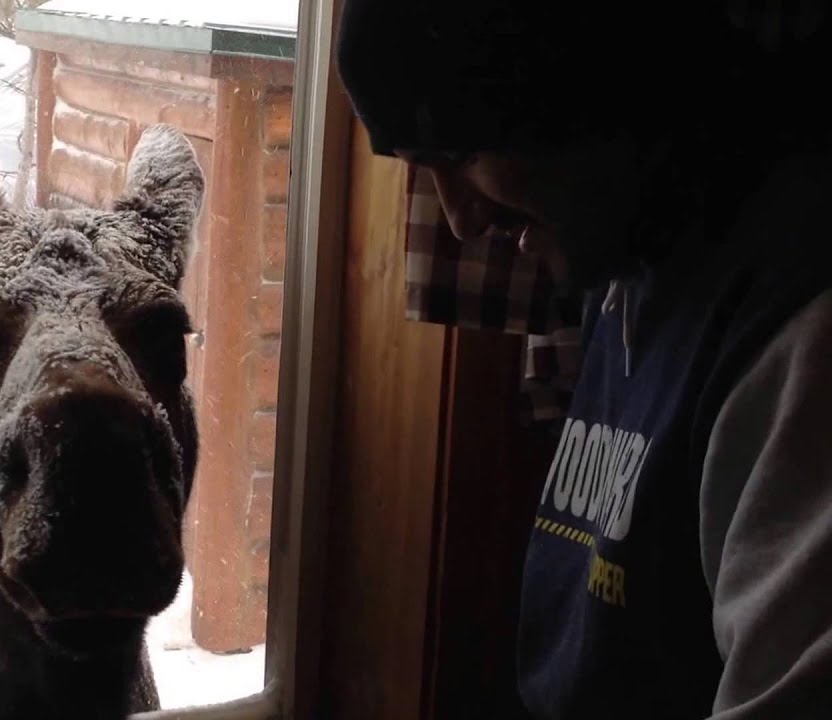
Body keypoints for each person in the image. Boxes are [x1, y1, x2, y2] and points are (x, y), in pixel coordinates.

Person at [336, 1, 832, 718]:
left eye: (464, 153)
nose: (461, 221)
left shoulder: (797, 336)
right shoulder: (632, 263)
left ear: (583, 92)